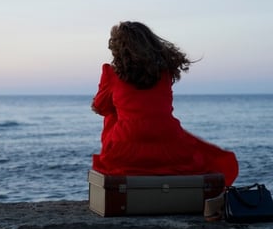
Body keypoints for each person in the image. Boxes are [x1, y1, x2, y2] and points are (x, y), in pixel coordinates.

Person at [91, 21, 238, 186]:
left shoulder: (111, 74)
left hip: (125, 145)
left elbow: (100, 107)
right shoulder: (164, 73)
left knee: (112, 113)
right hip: (170, 139)